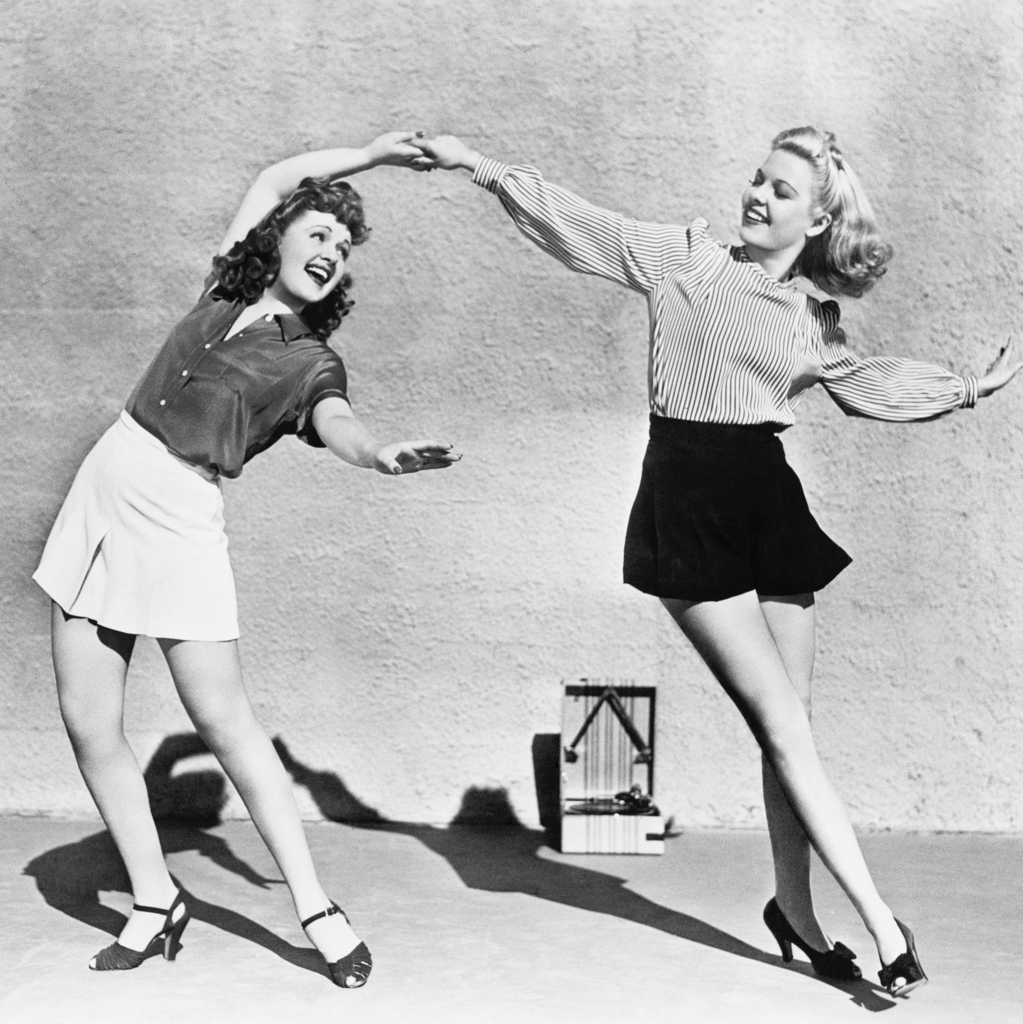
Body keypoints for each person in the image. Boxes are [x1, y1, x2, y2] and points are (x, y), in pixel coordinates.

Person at [412, 127, 1021, 997]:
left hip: (766, 500)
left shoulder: (811, 319)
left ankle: (794, 910)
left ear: (817, 221)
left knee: (790, 729)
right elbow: (580, 224)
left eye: (781, 190)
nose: (757, 196)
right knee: (782, 726)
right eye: (758, 179)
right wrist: (478, 165)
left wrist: (962, 389)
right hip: (689, 503)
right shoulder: (686, 258)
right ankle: (886, 927)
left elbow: (869, 382)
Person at [33, 130, 457, 989]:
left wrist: (377, 455)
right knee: (88, 721)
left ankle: (317, 910)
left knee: (227, 724)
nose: (332, 250)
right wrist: (375, 154)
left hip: (177, 517)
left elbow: (337, 421)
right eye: (319, 232)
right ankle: (154, 899)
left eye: (345, 247)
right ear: (280, 236)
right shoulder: (225, 287)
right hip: (102, 489)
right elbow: (275, 175)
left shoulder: (309, 360)